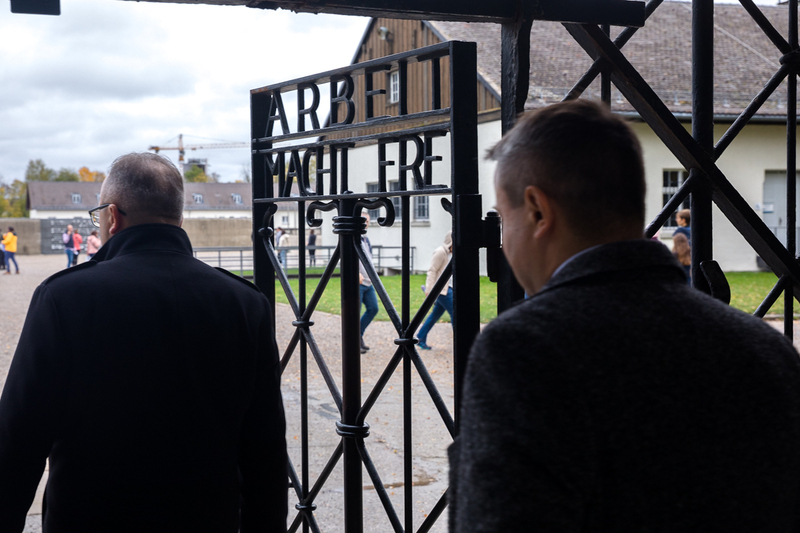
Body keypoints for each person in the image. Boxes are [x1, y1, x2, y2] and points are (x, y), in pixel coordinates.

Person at [448, 100, 800, 532]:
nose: (502, 241)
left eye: (504, 218)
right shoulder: (765, 348)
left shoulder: (525, 349)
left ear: (538, 210)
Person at [0, 153, 287, 532]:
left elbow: (19, 440)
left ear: (112, 216)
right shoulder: (244, 303)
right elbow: (264, 447)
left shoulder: (65, 297)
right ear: (179, 219)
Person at [416, 231, 453, 350]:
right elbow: (432, 271)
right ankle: (461, 343)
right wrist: (429, 290)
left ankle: (420, 338)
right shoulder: (440, 252)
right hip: (442, 291)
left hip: (447, 289)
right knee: (455, 314)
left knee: (435, 315)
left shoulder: (449, 254)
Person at [359, 213, 378, 354]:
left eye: (368, 221)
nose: (366, 224)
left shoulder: (366, 240)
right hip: (358, 283)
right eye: (364, 221)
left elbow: (368, 259)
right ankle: (355, 342)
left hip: (368, 282)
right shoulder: (352, 239)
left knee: (373, 308)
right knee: (354, 313)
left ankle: (357, 335)